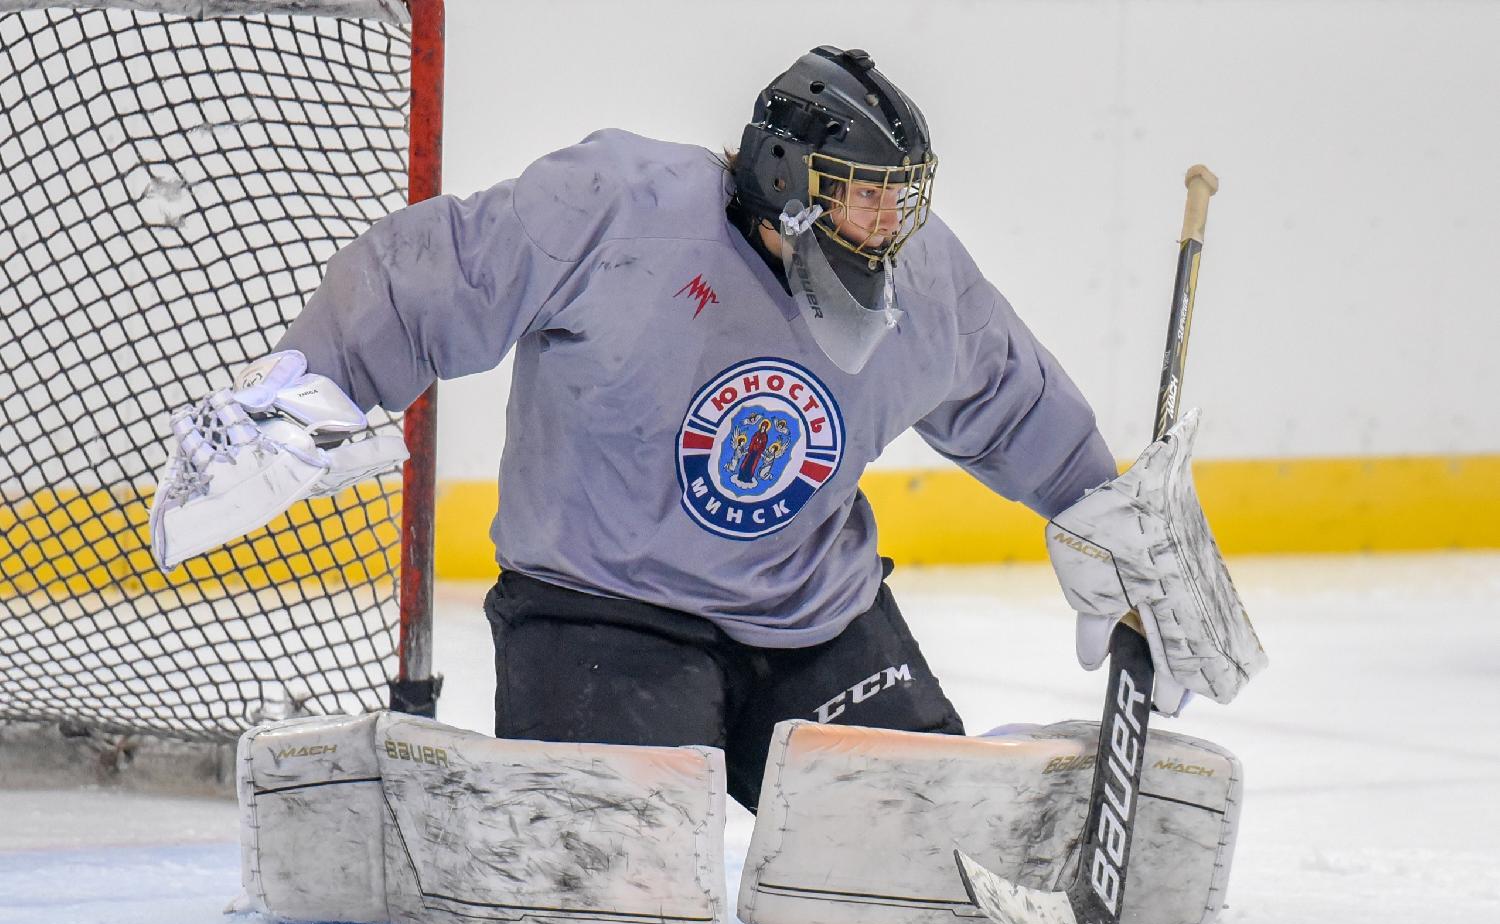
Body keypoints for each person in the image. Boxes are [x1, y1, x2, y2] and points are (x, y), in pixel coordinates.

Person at [259, 45, 1118, 811]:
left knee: (925, 837)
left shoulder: (919, 279)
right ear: (786, 177)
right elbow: (435, 275)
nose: (888, 227)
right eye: (862, 199)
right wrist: (305, 384)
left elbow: (1012, 396)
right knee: (632, 882)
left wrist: (1108, 527)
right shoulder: (619, 209)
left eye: (897, 203)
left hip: (809, 615)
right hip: (604, 611)